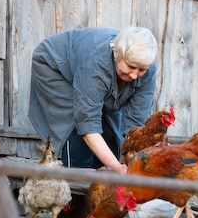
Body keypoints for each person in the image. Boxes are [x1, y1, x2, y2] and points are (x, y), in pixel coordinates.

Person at [28, 26, 158, 174]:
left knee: (110, 133)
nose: (135, 75)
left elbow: (137, 124)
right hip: (55, 68)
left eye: (141, 70)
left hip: (91, 71)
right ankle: (75, 184)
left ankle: (99, 183)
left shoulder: (148, 68)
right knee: (76, 128)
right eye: (131, 67)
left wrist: (134, 164)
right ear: (117, 54)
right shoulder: (96, 62)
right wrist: (118, 168)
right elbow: (87, 122)